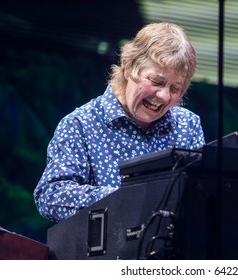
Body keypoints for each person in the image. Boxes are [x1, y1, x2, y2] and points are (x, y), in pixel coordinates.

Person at [33, 22, 205, 222]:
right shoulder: (80, 124)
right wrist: (127, 199)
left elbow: (199, 196)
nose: (165, 96)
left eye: (176, 88)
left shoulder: (187, 125)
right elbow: (51, 195)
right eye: (156, 82)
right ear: (129, 68)